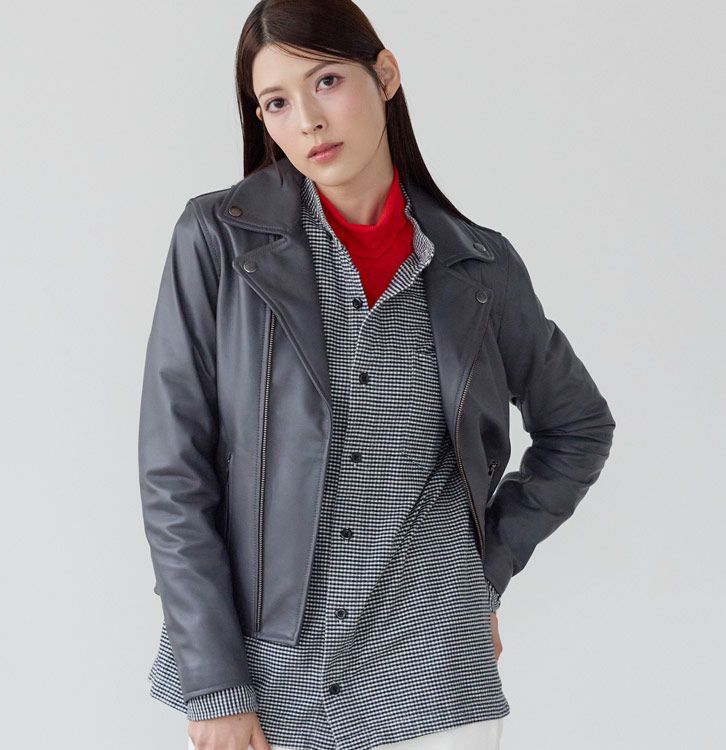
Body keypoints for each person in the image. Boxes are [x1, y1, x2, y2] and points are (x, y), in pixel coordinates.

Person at [138, 1, 616, 749]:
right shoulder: (217, 245)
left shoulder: (479, 267)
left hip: (435, 683)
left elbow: (578, 427)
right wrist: (215, 686)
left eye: (327, 81)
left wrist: (484, 570)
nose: (308, 121)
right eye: (277, 102)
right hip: (266, 685)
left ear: (385, 74)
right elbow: (174, 473)